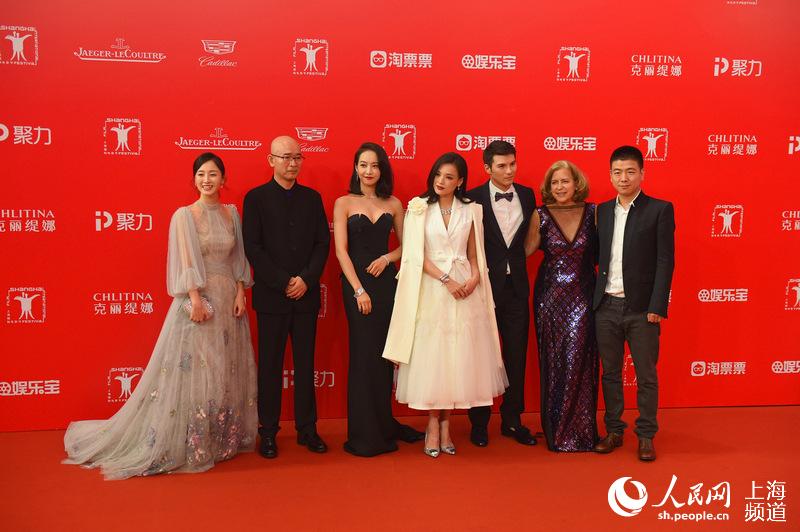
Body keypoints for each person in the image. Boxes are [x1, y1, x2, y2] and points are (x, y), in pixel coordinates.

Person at [63, 152, 257, 479]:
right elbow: (185, 261)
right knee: (198, 370)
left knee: (224, 368)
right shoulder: (184, 216)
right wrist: (194, 299)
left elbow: (238, 257)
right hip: (201, 301)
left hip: (229, 302)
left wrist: (241, 291)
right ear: (194, 179)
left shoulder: (232, 214)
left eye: (213, 174)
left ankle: (219, 439)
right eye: (201, 174)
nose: (207, 180)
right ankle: (193, 443)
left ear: (224, 180)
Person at [382, 152, 508, 458]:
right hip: (433, 288)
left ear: (460, 181)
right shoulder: (418, 207)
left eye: (449, 177)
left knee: (457, 359)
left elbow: (475, 252)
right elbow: (415, 254)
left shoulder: (472, 209)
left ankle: (447, 423)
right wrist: (446, 280)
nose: (441, 181)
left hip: (466, 290)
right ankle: (432, 424)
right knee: (433, 358)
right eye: (438, 175)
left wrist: (475, 278)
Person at [333, 142, 425, 457]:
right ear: (355, 168)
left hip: (386, 286)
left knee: (385, 358)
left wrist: (387, 258)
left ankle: (384, 424)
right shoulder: (344, 203)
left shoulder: (394, 203)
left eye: (374, 165)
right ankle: (364, 433)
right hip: (357, 286)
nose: (368, 171)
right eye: (363, 165)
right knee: (363, 357)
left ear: (382, 169)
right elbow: (341, 251)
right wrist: (358, 290)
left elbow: (409, 246)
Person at [242, 136, 330, 458]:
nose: (292, 163)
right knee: (270, 367)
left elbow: (322, 243)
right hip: (272, 297)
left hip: (306, 296)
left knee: (306, 365)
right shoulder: (256, 198)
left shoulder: (312, 198)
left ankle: (308, 429)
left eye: (297, 157)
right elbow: (253, 248)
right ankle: (267, 431)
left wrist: (306, 279)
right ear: (271, 160)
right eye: (285, 157)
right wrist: (284, 281)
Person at [593, 145, 675, 462]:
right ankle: (614, 431)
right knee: (610, 374)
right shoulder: (602, 211)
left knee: (646, 376)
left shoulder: (659, 209)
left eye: (630, 171)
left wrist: (657, 305)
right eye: (617, 172)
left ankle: (646, 435)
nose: (623, 178)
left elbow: (665, 261)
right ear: (610, 175)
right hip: (606, 305)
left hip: (642, 309)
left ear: (642, 173)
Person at [466, 140, 538, 447]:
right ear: (487, 168)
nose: (509, 171)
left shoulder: (528, 195)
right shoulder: (472, 198)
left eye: (512, 164)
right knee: (481, 356)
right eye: (501, 166)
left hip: (516, 288)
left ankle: (512, 420)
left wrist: (518, 261)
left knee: (516, 354)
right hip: (482, 288)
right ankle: (479, 422)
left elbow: (531, 236)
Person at [525, 160, 598, 452]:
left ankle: (582, 431)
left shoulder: (594, 213)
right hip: (550, 299)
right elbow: (525, 250)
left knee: (580, 359)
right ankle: (556, 430)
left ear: (576, 183)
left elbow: (607, 252)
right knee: (554, 362)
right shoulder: (540, 215)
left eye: (565, 181)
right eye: (554, 183)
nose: (559, 187)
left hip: (584, 296)